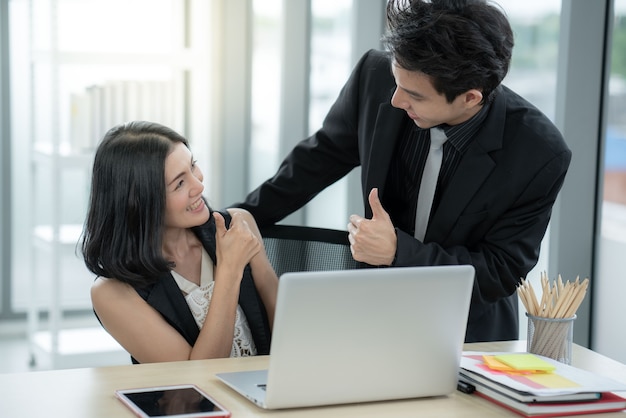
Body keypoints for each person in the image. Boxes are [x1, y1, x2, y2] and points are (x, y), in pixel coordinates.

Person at [233, 0, 572, 342]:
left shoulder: (538, 153)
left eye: (413, 96)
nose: (396, 100)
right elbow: (315, 162)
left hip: (466, 336)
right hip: (373, 316)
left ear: (470, 98)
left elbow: (499, 271)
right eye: (397, 82)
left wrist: (399, 252)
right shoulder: (375, 76)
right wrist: (231, 221)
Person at [81, 121, 277, 363]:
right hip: (200, 401)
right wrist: (229, 270)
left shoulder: (237, 225)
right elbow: (193, 382)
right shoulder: (112, 293)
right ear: (140, 203)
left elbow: (286, 323)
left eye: (193, 165)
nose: (199, 185)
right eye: (180, 183)